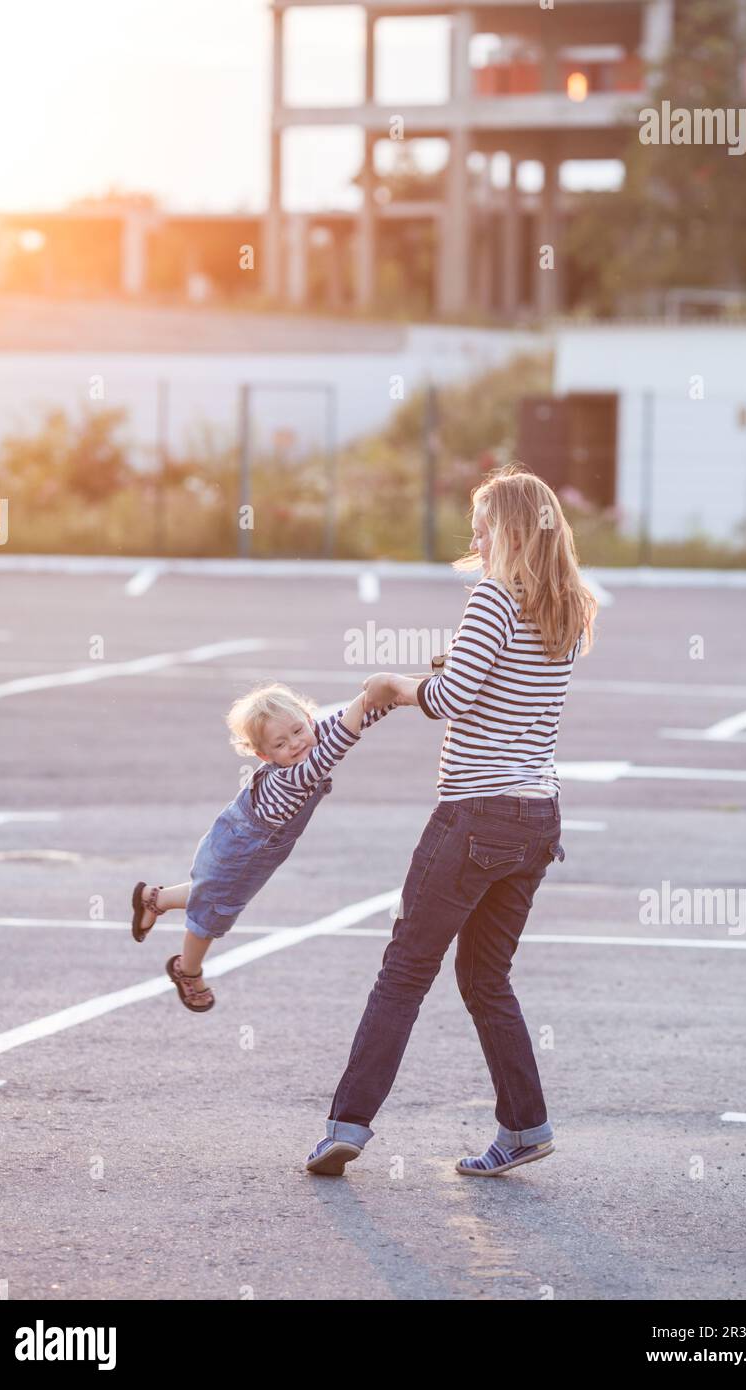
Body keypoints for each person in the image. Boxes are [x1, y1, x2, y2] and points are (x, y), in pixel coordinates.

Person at [306, 464, 598, 1178]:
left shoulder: (493, 597)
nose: (473, 532)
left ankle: (347, 1125)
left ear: (510, 527)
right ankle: (526, 1127)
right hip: (537, 820)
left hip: (475, 816)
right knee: (485, 977)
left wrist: (392, 688)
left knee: (404, 970)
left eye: (483, 519)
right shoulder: (565, 605)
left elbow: (451, 697)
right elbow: (498, 690)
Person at [130, 681, 395, 1010]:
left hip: (234, 838)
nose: (296, 744)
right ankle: (188, 970)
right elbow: (339, 742)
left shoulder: (310, 738)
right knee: (214, 911)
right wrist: (379, 686)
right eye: (280, 744)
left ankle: (154, 899)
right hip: (240, 853)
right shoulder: (296, 775)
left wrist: (396, 694)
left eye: (298, 730)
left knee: (212, 890)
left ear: (309, 720)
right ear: (264, 755)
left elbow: (355, 717)